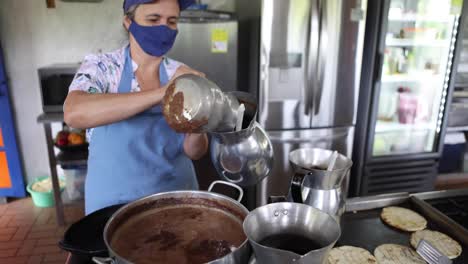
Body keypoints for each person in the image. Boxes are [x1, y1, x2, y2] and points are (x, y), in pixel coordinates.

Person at [64, 0, 208, 214]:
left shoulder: (180, 73)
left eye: (172, 21)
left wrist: (200, 119)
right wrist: (164, 92)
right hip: (112, 205)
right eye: (153, 19)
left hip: (175, 198)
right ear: (128, 22)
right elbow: (74, 112)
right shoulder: (103, 68)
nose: (164, 28)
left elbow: (195, 152)